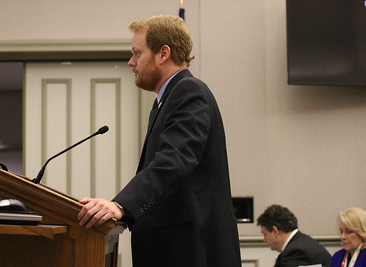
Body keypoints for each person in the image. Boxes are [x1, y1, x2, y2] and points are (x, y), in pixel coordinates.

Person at [77, 15, 242, 267]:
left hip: (190, 251)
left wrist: (121, 204)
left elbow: (175, 159)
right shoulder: (165, 100)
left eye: (137, 53)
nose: (131, 62)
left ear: (163, 53)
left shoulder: (188, 91)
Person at [257, 204, 331, 267]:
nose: (264, 240)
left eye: (265, 234)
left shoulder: (296, 252)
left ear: (275, 231)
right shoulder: (302, 243)